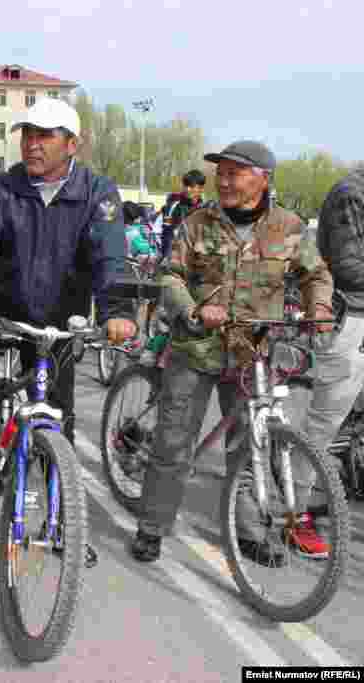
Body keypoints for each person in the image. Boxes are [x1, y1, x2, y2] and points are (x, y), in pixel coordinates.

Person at [131, 140, 334, 564]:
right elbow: (170, 276)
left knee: (249, 445)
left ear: (262, 178)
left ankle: (249, 531)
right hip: (196, 348)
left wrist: (319, 308)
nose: (222, 180)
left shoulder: (289, 227)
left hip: (253, 353)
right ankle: (152, 526)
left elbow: (316, 273)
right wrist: (193, 309)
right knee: (173, 444)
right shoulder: (197, 222)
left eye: (234, 173)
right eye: (219, 172)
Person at [0, 97, 136, 476]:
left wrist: (117, 312)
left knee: (58, 430)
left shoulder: (97, 192)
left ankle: (62, 527)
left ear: (72, 144)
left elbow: (110, 257)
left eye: (45, 136)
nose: (32, 144)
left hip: (56, 325)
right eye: (27, 135)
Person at [301, 165, 364, 519]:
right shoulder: (350, 194)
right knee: (322, 426)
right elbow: (349, 266)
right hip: (351, 318)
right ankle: (295, 514)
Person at [160, 170, 207, 259]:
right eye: (185, 185)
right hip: (176, 256)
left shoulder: (205, 208)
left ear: (201, 188)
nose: (187, 189)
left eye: (192, 186)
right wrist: (166, 257)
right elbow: (167, 233)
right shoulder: (172, 206)